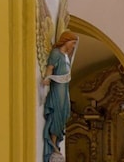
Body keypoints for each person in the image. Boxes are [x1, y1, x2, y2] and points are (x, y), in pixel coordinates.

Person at [41, 32, 78, 161]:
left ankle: (56, 144)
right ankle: (53, 143)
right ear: (66, 41)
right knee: (57, 113)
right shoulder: (56, 53)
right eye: (73, 43)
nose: (73, 46)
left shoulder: (66, 56)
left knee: (65, 113)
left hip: (65, 88)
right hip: (57, 89)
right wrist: (47, 78)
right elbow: (50, 68)